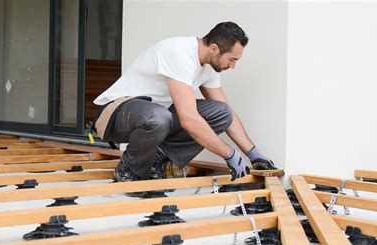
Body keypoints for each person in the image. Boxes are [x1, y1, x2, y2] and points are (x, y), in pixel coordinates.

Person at [93, 21, 276, 183]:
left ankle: (157, 158)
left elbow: (227, 114)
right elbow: (189, 119)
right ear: (214, 48)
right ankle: (129, 170)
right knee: (160, 116)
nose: (233, 66)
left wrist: (253, 153)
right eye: (232, 59)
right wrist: (229, 154)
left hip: (155, 116)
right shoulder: (179, 53)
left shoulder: (209, 67)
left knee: (221, 112)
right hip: (116, 113)